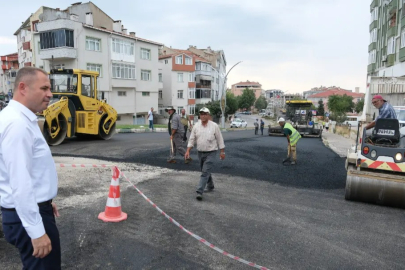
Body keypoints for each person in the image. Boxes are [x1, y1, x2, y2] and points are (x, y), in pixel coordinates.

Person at [0, 67, 61, 269]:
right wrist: (36, 231)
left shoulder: (19, 119)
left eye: (49, 88)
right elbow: (20, 182)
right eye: (44, 88)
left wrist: (43, 198)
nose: (50, 94)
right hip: (27, 216)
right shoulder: (17, 124)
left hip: (31, 209)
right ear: (23, 88)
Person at [185, 107, 225, 201]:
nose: (203, 116)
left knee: (205, 171)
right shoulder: (196, 126)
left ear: (208, 115)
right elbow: (192, 139)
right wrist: (187, 151)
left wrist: (222, 152)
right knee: (205, 170)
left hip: (211, 152)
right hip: (200, 152)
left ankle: (200, 191)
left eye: (205, 114)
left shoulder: (214, 126)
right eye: (201, 114)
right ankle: (210, 185)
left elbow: (220, 139)